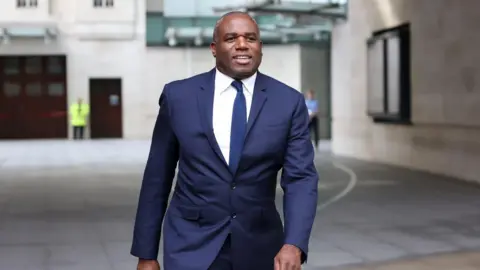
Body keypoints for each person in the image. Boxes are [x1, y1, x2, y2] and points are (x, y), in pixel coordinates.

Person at [131, 11, 318, 270]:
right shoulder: (178, 97)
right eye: (231, 38)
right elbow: (157, 177)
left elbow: (300, 178)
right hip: (190, 245)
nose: (242, 44)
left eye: (250, 38)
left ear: (260, 48)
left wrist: (294, 243)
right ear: (214, 48)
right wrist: (146, 254)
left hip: (261, 247)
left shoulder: (288, 102)